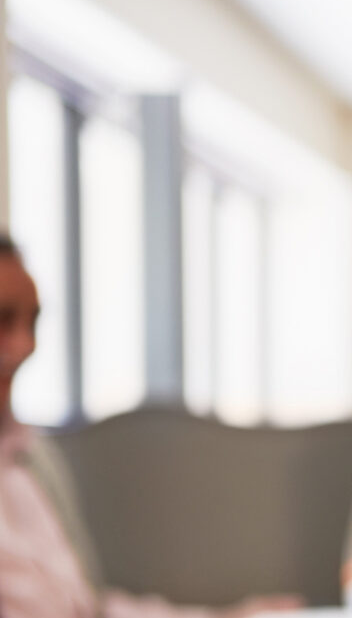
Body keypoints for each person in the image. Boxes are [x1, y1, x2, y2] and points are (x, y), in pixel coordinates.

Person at [0, 234, 299, 618]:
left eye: (33, 321)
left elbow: (88, 607)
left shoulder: (34, 459)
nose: (26, 345)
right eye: (4, 319)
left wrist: (228, 617)